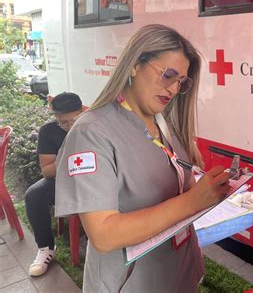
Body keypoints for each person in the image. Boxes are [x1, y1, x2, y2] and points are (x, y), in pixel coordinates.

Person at [54, 24, 231, 292]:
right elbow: (103, 234)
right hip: (132, 283)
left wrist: (206, 190)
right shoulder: (92, 132)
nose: (173, 89)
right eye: (168, 75)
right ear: (135, 65)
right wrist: (193, 200)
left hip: (178, 273)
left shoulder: (166, 123)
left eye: (181, 82)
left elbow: (180, 190)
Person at [25, 92, 84, 276]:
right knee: (34, 195)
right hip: (63, 180)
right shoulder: (48, 131)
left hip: (94, 179)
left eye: (73, 120)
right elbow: (47, 171)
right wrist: (66, 157)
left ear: (83, 111)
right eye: (63, 122)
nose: (68, 126)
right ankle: (45, 248)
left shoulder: (93, 125)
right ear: (56, 117)